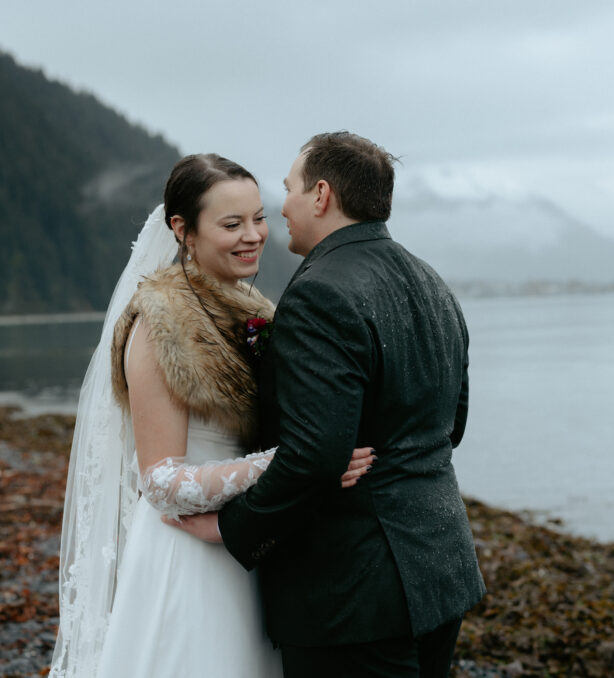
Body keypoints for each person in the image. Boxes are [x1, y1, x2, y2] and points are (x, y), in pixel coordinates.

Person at [168, 132, 486, 678]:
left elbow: (315, 454)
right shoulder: (433, 283)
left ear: (320, 195)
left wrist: (233, 528)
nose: (281, 207)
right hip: (443, 568)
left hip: (355, 591)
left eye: (289, 188)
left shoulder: (321, 292)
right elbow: (449, 426)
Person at [49, 153, 375, 678]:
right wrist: (294, 464)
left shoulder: (255, 309)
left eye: (259, 217)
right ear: (182, 230)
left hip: (249, 543)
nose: (253, 235)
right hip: (190, 555)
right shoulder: (160, 324)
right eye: (231, 224)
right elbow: (159, 482)